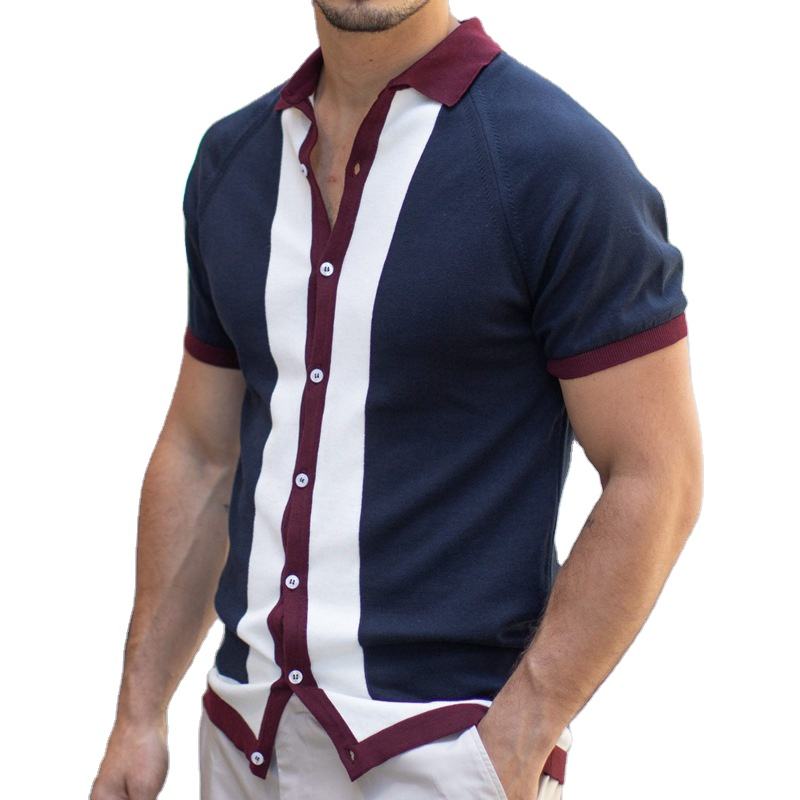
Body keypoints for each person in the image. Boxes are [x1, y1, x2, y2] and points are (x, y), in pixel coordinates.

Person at [89, 2, 703, 799]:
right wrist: (139, 714)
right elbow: (204, 453)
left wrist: (518, 738)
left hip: (444, 751)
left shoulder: (560, 165)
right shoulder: (232, 161)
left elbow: (659, 475)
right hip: (242, 742)